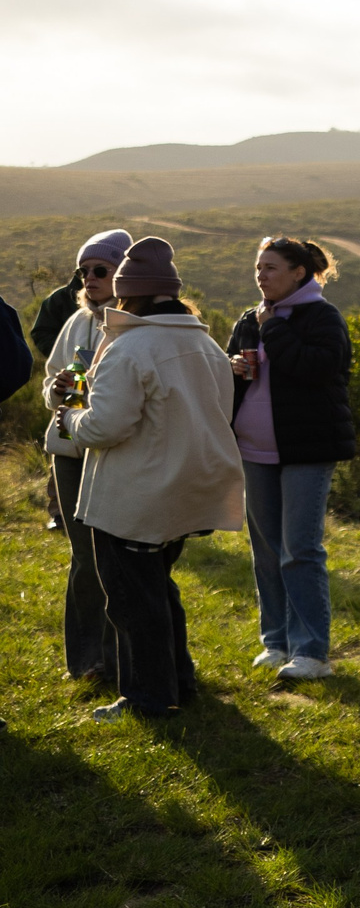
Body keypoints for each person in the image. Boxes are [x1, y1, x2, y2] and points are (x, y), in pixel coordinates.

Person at [55, 237, 244, 722]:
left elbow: (103, 427)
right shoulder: (203, 343)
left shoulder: (131, 346)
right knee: (158, 590)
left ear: (128, 293)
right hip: (187, 487)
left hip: (135, 494)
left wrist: (69, 416)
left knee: (132, 603)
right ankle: (180, 682)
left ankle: (148, 699)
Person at [228, 235, 355, 681]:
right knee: (266, 550)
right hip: (254, 451)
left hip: (306, 450)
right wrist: (233, 370)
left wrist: (273, 328)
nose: (260, 276)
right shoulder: (250, 318)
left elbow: (317, 368)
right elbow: (234, 378)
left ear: (298, 272)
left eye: (271, 268)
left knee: (299, 550)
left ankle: (312, 652)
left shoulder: (322, 317)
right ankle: (277, 642)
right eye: (258, 268)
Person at [41, 230, 130, 679]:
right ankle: (86, 661)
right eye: (85, 271)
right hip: (69, 450)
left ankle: (123, 658)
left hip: (113, 451)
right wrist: (54, 390)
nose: (90, 278)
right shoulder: (76, 321)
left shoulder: (135, 322)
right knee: (84, 557)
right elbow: (53, 375)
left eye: (101, 270)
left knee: (113, 555)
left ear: (123, 273)